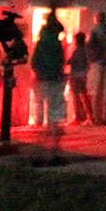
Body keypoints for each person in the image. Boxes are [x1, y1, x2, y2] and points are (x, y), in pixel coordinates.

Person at [30, 9, 66, 163]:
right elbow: (60, 62)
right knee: (54, 118)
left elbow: (34, 62)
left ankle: (41, 150)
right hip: (55, 82)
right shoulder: (57, 44)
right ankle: (53, 151)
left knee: (41, 115)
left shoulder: (40, 43)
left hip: (41, 81)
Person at [87, 11, 106, 124]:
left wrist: (90, 58)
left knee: (96, 91)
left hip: (96, 63)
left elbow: (89, 45)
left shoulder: (94, 31)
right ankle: (105, 116)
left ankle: (96, 117)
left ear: (96, 19)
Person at [67, 31, 93, 124]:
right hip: (83, 75)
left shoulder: (76, 50)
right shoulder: (86, 50)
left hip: (75, 75)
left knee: (75, 97)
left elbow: (71, 61)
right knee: (84, 96)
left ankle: (77, 117)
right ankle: (90, 116)